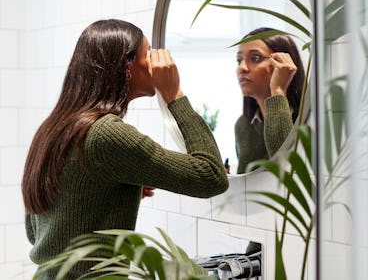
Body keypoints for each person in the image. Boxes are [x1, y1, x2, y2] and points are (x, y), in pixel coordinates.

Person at [22, 19, 229, 279]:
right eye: (149, 53)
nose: (156, 63)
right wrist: (174, 93)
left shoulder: (52, 128)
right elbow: (211, 176)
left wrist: (100, 193)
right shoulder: (107, 133)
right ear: (126, 65)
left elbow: (35, 232)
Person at [234, 27, 305, 174]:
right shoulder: (243, 125)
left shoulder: (303, 119)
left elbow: (285, 169)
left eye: (255, 58)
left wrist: (278, 90)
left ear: (282, 65)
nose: (242, 67)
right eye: (239, 60)